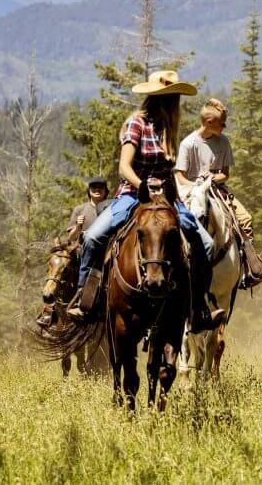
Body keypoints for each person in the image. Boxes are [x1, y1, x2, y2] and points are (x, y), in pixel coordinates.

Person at [66, 70, 224, 332]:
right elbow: (124, 167)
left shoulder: (168, 129)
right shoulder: (136, 123)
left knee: (205, 244)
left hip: (166, 197)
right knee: (94, 237)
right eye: (172, 97)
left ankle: (198, 305)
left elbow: (169, 170)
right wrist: (142, 187)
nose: (175, 102)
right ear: (158, 98)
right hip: (132, 194)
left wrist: (172, 195)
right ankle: (86, 296)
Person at [176, 98, 262, 288]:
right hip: (191, 191)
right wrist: (196, 187)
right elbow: (180, 175)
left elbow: (225, 174)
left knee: (244, 219)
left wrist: (212, 179)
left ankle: (247, 268)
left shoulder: (223, 142)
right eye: (222, 123)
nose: (225, 127)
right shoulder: (188, 144)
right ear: (209, 122)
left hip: (217, 189)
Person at [35, 176, 109, 328]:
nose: (97, 190)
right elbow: (71, 236)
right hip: (81, 252)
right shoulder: (80, 210)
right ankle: (49, 310)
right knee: (60, 266)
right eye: (94, 187)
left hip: (104, 251)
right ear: (89, 191)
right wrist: (78, 226)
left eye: (100, 187)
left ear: (105, 191)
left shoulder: (110, 208)